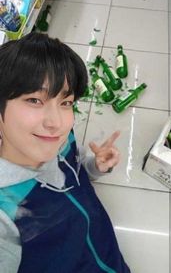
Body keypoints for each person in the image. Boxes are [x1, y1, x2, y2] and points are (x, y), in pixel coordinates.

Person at [0, 33, 131, 273]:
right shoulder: (5, 214)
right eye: (34, 100)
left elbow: (73, 167)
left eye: (65, 102)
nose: (56, 122)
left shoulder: (59, 140)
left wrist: (94, 166)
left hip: (107, 255)